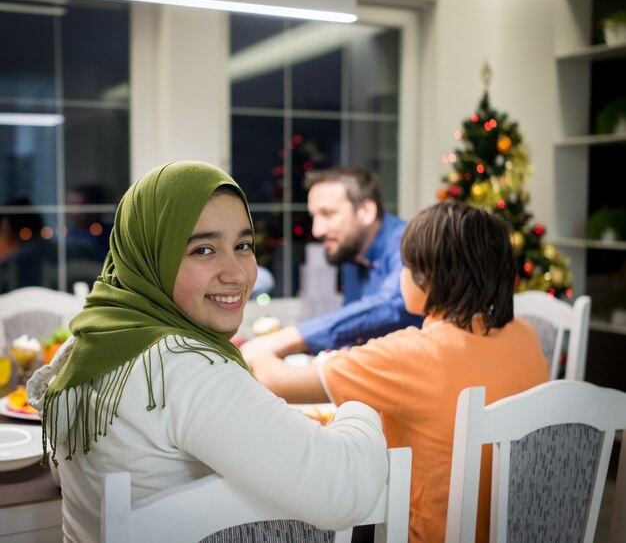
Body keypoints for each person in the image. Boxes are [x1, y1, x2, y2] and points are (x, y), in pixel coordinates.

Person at [26, 161, 387, 543]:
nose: (236, 273)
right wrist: (358, 407)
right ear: (153, 253)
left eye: (243, 246)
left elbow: (60, 471)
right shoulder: (183, 365)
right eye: (203, 249)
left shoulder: (93, 339)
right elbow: (345, 492)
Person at [248, 201, 550, 543]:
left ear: (428, 275)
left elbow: (275, 382)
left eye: (403, 266)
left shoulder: (411, 353)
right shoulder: (525, 335)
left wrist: (258, 347)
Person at [241, 166, 423, 360]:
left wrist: (290, 337)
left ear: (366, 211)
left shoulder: (409, 243)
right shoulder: (352, 252)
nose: (317, 230)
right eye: (314, 217)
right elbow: (356, 331)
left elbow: (391, 306)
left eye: (327, 214)